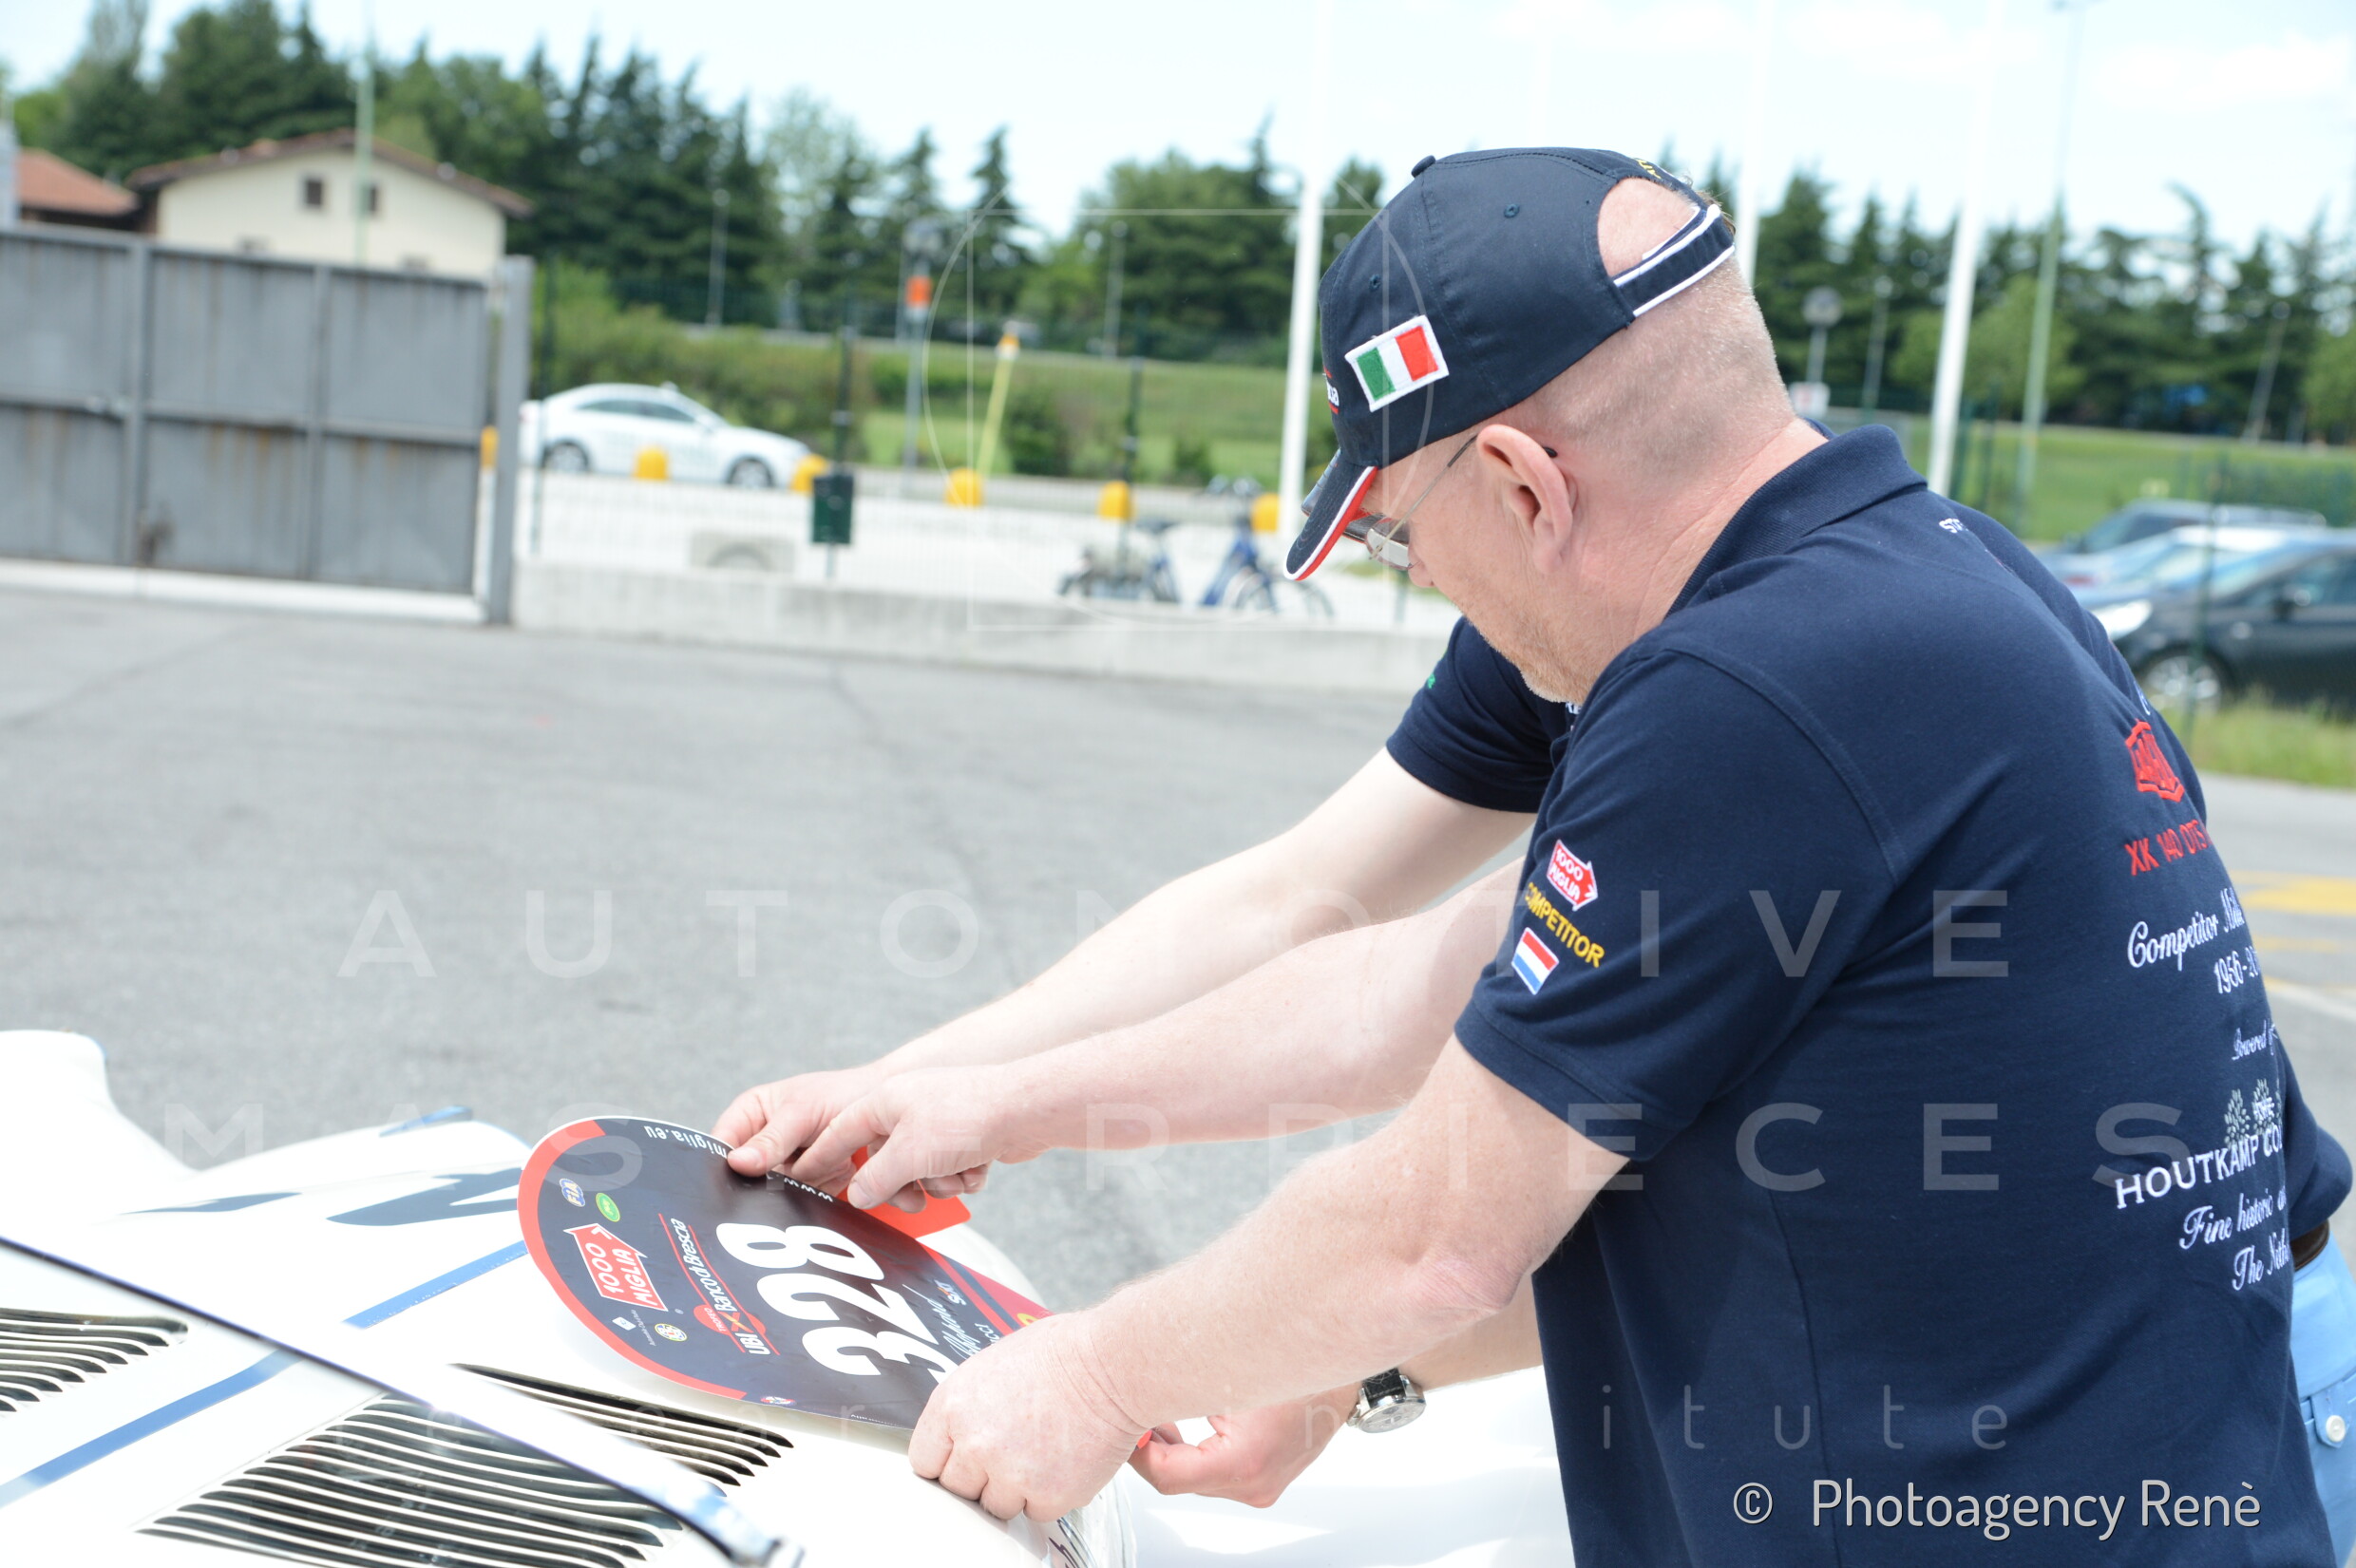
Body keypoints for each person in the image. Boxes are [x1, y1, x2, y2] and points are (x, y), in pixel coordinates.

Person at [720, 149, 2351, 1563]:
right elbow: (1415, 982)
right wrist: (969, 1098)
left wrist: (1093, 1372)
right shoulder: (1938, 582)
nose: (1426, 584)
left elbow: (1436, 1229)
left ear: (1518, 482)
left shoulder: (1747, 696)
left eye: (1399, 536)